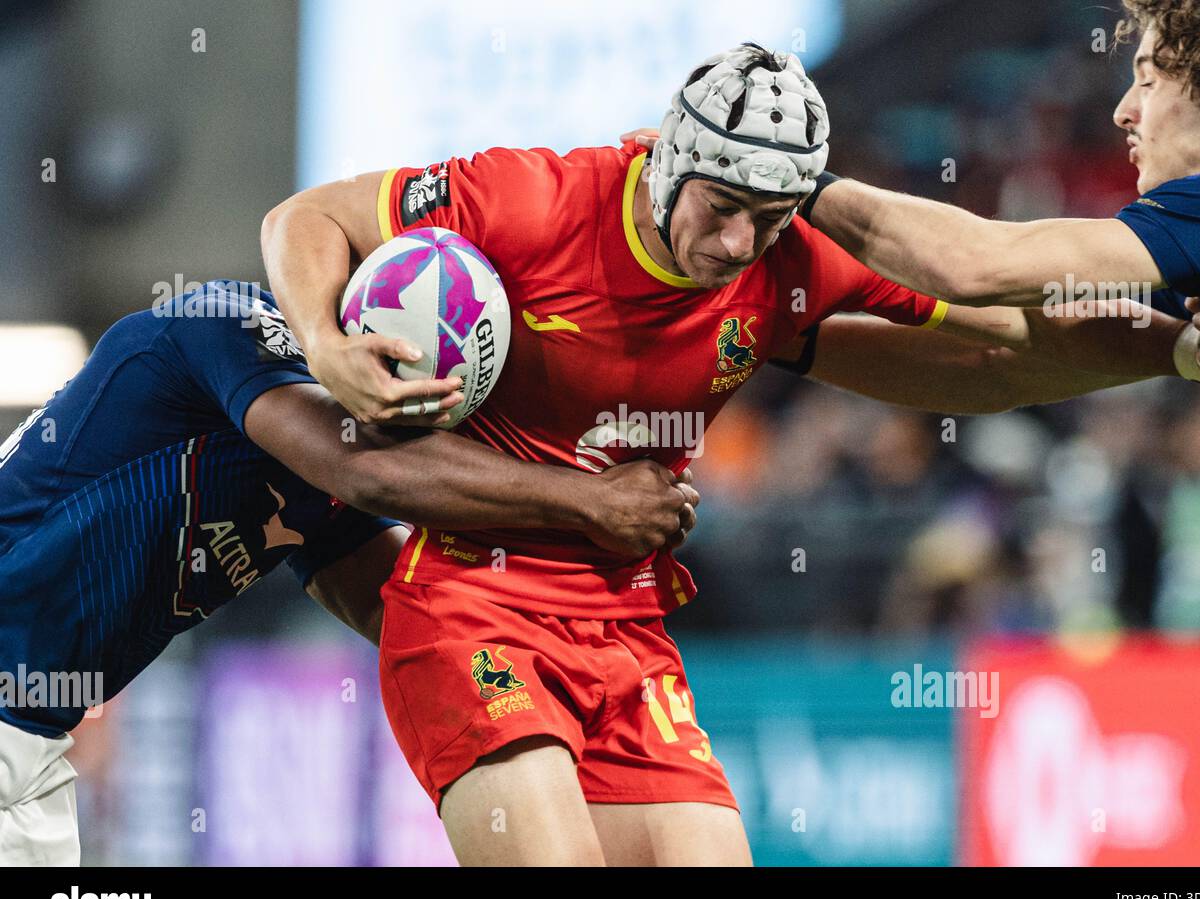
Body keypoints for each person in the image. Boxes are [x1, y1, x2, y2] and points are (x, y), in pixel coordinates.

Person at [261, 43, 1200, 866]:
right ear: (668, 161)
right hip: (471, 606)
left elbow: (1007, 331)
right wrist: (329, 345)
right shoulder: (535, 197)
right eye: (720, 207)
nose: (735, 243)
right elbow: (305, 218)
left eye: (764, 219)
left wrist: (1191, 348)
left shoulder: (783, 256)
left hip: (627, 632)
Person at [0, 280, 699, 866]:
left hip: (31, 748)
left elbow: (411, 615)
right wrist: (590, 502)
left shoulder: (321, 477)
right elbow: (366, 470)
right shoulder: (218, 322)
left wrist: (577, 681)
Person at [799, 0, 1200, 462]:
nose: (1123, 111)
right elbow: (993, 363)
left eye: (1149, 82)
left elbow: (974, 266)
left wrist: (789, 176)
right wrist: (780, 339)